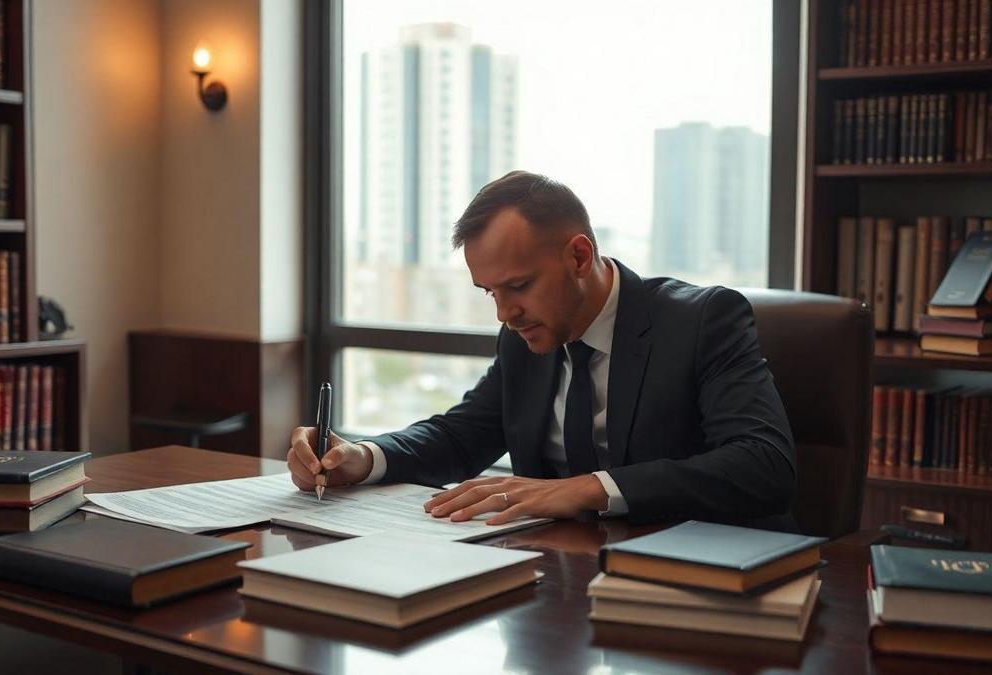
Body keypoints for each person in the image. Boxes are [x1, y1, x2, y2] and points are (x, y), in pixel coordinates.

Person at [288, 170, 797, 531]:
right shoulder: (523, 335)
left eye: (519, 285)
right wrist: (361, 455)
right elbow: (461, 435)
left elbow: (764, 465)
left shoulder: (702, 320)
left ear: (579, 255)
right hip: (559, 573)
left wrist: (589, 487)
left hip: (691, 582)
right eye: (490, 292)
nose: (504, 313)